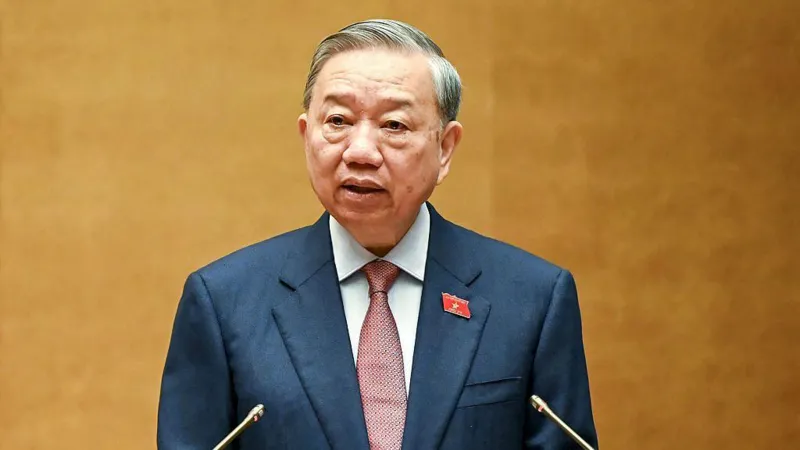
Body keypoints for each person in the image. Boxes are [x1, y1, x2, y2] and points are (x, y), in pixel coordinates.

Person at [157, 19, 598, 450]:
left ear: (445, 148)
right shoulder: (224, 303)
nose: (361, 151)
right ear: (307, 135)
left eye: (394, 125)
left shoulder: (532, 300)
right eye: (338, 120)